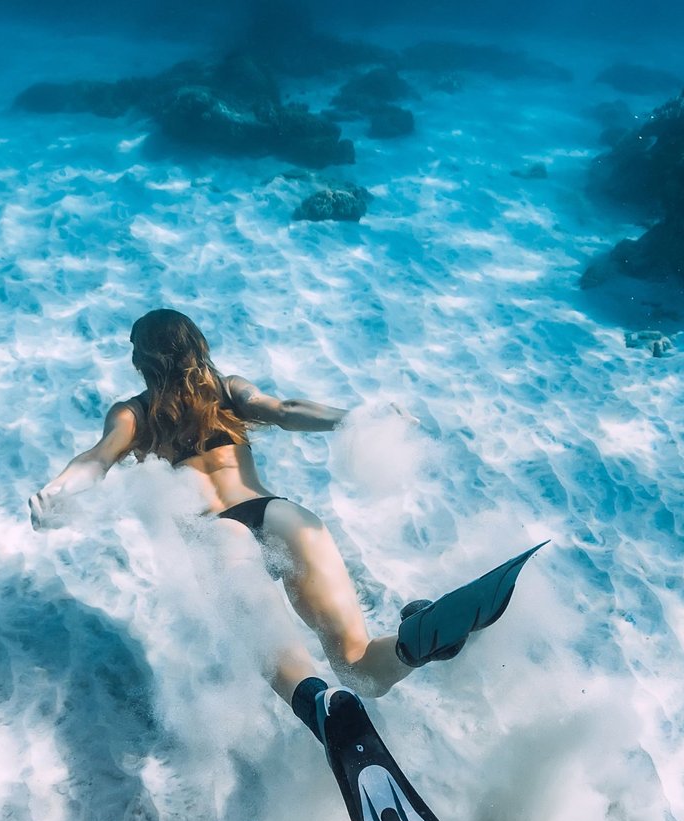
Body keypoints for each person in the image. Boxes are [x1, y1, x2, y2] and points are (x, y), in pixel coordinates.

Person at [29, 309, 537, 735]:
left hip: (216, 532)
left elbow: (96, 460)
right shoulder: (227, 391)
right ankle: (415, 639)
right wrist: (358, 418)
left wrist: (57, 491)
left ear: (142, 360)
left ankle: (320, 710)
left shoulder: (134, 415)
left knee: (288, 668)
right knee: (360, 668)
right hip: (278, 513)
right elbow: (286, 409)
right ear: (197, 347)